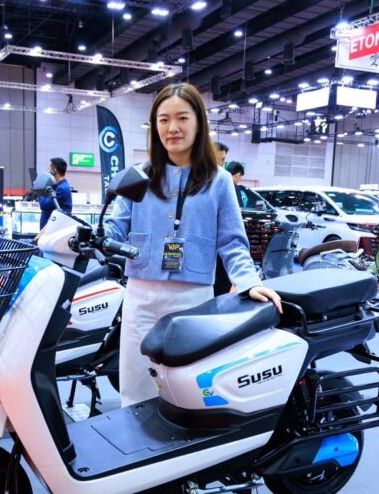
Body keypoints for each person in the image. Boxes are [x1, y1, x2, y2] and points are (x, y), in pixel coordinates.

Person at [102, 82, 280, 406]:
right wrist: (86, 236)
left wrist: (249, 281)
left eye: (182, 118)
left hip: (193, 298)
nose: (172, 128)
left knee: (186, 388)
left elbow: (232, 241)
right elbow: (113, 228)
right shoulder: (139, 176)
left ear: (199, 123)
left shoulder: (219, 180)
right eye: (163, 120)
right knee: (136, 384)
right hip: (140, 294)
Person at [36, 157, 72, 229]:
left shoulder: (60, 189)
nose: (49, 172)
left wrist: (41, 190)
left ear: (54, 170)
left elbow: (44, 205)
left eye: (50, 169)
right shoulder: (59, 186)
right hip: (51, 228)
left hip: (53, 229)